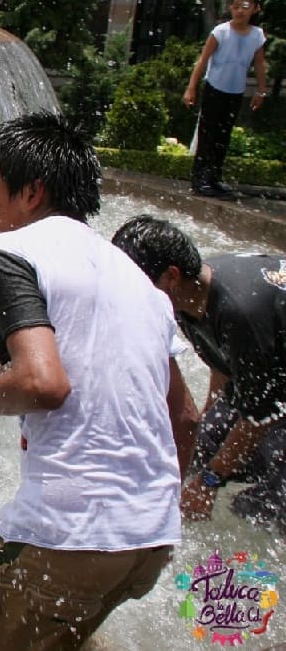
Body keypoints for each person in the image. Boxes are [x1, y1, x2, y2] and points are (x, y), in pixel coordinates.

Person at [0, 113, 185, 651]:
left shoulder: (11, 252)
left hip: (68, 534)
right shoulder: (135, 277)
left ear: (31, 192)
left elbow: (43, 383)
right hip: (150, 540)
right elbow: (184, 416)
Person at [112, 215, 285, 533]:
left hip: (274, 400)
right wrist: (207, 418)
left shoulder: (239, 311)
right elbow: (222, 364)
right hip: (271, 382)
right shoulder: (189, 298)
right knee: (197, 446)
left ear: (171, 276)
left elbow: (262, 415)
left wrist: (210, 480)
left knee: (258, 508)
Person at [183, 0, 270, 199]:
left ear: (255, 9)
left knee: (223, 136)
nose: (240, 11)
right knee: (207, 134)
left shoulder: (257, 35)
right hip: (214, 88)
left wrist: (261, 91)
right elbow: (202, 61)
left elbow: (259, 64)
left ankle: (214, 177)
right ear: (231, 7)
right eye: (236, 6)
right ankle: (199, 180)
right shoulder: (220, 31)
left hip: (235, 91)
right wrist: (191, 88)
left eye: (245, 7)